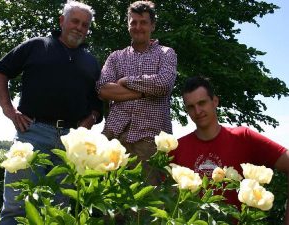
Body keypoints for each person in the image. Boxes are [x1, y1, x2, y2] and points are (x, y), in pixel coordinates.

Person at [0, 1, 103, 224]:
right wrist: (9, 109)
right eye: (75, 21)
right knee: (17, 205)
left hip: (71, 143)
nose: (80, 27)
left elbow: (97, 103)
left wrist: (91, 119)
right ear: (62, 21)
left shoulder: (91, 62)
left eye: (85, 25)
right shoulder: (36, 46)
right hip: (32, 133)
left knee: (59, 209)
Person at [171, 76, 289, 223]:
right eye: (190, 106)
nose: (197, 111)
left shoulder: (243, 137)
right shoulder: (176, 148)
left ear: (215, 101)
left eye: (202, 103)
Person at [96, 1, 177, 181]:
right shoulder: (116, 57)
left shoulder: (166, 54)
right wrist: (145, 92)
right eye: (133, 22)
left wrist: (127, 81)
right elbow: (102, 89)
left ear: (153, 26)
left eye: (143, 22)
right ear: (128, 25)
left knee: (145, 203)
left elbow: (163, 84)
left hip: (150, 140)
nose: (138, 27)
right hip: (113, 136)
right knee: (111, 200)